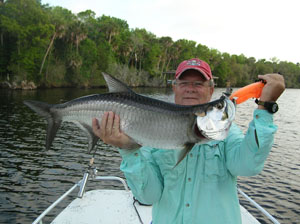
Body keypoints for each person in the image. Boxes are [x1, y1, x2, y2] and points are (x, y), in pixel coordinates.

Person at [92, 58, 285, 224]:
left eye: (198, 84)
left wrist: (265, 108)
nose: (191, 89)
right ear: (174, 88)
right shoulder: (150, 130)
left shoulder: (227, 135)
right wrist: (128, 150)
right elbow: (148, 196)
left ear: (211, 90)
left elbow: (249, 166)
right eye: (184, 83)